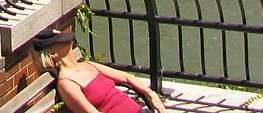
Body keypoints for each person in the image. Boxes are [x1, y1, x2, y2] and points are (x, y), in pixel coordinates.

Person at [32, 30, 167, 113]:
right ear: (54, 53)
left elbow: (127, 77)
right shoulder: (67, 83)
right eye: (59, 40)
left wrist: (152, 95)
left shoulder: (88, 65)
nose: (65, 38)